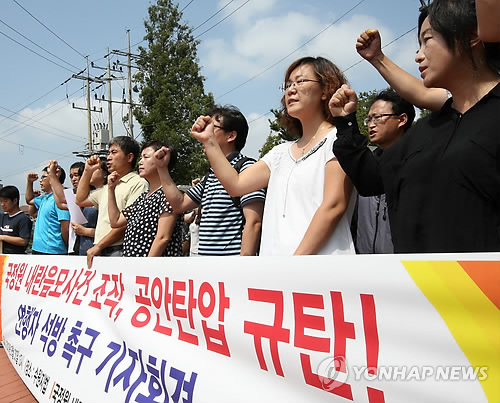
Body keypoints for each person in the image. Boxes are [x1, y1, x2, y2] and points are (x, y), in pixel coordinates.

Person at [332, 0, 500, 253]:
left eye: (428, 39)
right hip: (419, 287)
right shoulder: (425, 132)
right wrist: (345, 123)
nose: (418, 55)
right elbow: (371, 179)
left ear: (472, 35)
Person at [182, 57, 356, 255]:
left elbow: (333, 206)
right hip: (275, 272)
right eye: (288, 84)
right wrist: (209, 142)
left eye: (300, 82)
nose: (291, 89)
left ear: (326, 90)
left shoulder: (338, 139)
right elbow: (236, 185)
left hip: (322, 270)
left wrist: (293, 263)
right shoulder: (280, 153)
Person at [156, 105, 266, 256]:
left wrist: (243, 269)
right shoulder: (211, 176)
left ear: (231, 136)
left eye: (211, 128)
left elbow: (253, 222)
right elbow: (179, 204)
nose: (204, 133)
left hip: (232, 268)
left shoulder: (247, 168)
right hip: (209, 269)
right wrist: (162, 169)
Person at [355, 90, 415, 254]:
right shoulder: (365, 167)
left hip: (405, 265)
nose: (371, 124)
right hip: (365, 264)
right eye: (369, 119)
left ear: (402, 119)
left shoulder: (417, 164)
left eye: (378, 117)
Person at [76, 136, 148, 267]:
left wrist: (99, 246)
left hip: (117, 249)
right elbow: (80, 200)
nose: (109, 157)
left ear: (129, 157)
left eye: (114, 152)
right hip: (98, 248)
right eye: (108, 153)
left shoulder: (138, 183)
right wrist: (87, 171)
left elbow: (126, 223)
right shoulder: (108, 186)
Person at [108, 140, 183, 257]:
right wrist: (110, 189)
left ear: (163, 159)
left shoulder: (169, 195)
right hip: (137, 267)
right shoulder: (143, 197)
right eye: (141, 157)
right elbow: (116, 221)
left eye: (146, 157)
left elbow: (163, 237)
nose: (140, 162)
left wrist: (146, 266)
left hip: (156, 270)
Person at [48, 159, 108, 256]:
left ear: (105, 174)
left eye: (95, 169)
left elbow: (110, 230)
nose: (74, 179)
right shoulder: (90, 196)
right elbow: (61, 201)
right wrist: (53, 177)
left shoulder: (109, 193)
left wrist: (86, 231)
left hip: (100, 250)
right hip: (82, 247)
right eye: (71, 176)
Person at [26, 166, 70, 254]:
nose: (40, 180)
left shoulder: (60, 199)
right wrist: (29, 182)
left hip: (53, 250)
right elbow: (29, 200)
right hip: (37, 248)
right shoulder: (44, 198)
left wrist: (66, 246)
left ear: (54, 177)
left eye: (44, 177)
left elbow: (65, 228)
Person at [0, 185, 32, 254]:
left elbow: (24, 241)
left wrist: (3, 237)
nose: (2, 204)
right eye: (1, 201)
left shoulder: (23, 219)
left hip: (15, 259)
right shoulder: (2, 216)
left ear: (15, 200)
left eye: (5, 201)